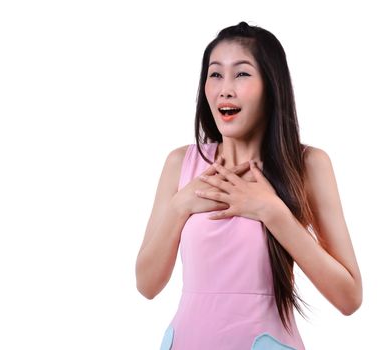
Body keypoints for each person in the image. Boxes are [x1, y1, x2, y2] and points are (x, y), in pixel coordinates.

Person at [135, 21, 362, 350]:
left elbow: (349, 297)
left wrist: (273, 212)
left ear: (271, 86)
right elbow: (147, 284)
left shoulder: (309, 165)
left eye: (241, 74)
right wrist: (181, 206)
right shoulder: (180, 164)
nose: (225, 88)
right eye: (215, 74)